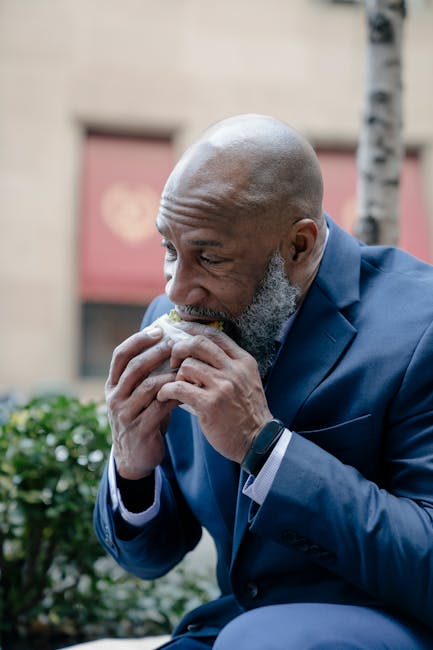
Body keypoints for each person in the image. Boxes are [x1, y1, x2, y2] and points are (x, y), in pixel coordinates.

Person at [94, 114, 433, 649]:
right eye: (169, 249)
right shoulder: (175, 313)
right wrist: (132, 466)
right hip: (229, 631)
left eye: (209, 256)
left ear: (298, 246)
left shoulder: (422, 324)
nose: (178, 290)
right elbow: (149, 558)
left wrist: (264, 447)